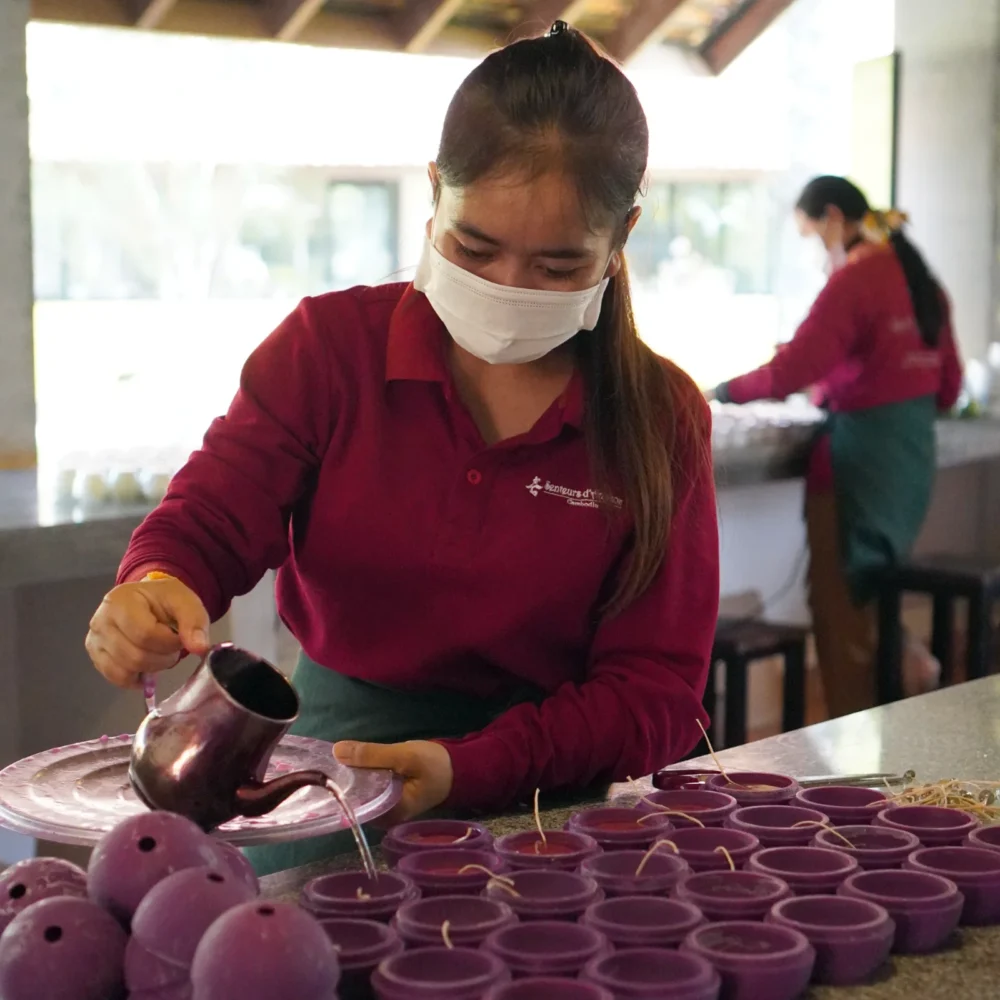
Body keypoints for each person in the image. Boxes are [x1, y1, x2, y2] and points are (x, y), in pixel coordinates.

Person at [84, 23, 719, 876]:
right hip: (332, 776)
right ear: (434, 194)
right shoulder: (329, 351)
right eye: (475, 249)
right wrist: (155, 584)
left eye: (558, 270)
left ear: (624, 235)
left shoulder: (658, 415)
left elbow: (657, 692)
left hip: (552, 803)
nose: (507, 290)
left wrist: (472, 765)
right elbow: (210, 517)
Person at [711, 176, 962, 719]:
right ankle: (913, 714)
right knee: (875, 600)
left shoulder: (856, 281)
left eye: (810, 237)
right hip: (908, 471)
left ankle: (862, 769)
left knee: (841, 612)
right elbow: (948, 386)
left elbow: (794, 369)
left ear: (831, 218)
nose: (814, 253)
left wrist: (721, 391)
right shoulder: (922, 281)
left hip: (856, 469)